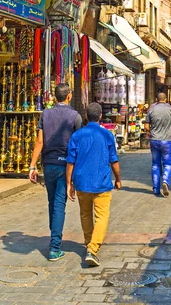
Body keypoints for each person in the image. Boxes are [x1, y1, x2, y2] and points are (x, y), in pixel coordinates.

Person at [28, 83, 82, 261]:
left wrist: (32, 166)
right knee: (59, 204)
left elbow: (39, 142)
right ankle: (54, 247)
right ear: (68, 96)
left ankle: (54, 237)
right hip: (65, 166)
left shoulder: (46, 113)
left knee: (52, 202)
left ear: (55, 97)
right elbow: (78, 145)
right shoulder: (75, 116)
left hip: (48, 165)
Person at [66, 102, 121, 267]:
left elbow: (70, 162)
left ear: (86, 117)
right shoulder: (107, 135)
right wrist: (118, 178)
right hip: (101, 183)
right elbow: (114, 160)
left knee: (85, 214)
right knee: (102, 216)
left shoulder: (77, 135)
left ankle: (89, 243)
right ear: (101, 117)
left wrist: (69, 184)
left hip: (82, 182)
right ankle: (93, 248)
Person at [145, 92, 171, 197]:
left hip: (154, 140)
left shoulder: (151, 109)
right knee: (167, 163)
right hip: (167, 141)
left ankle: (156, 189)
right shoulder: (170, 109)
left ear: (156, 99)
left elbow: (146, 127)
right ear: (165, 100)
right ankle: (165, 181)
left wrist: (152, 131)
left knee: (155, 164)